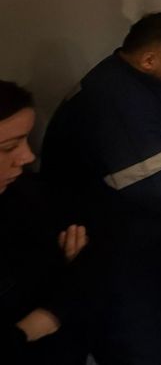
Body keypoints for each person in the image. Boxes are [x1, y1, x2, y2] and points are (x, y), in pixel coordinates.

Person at [40, 13, 161, 364]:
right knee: (136, 331)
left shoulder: (156, 79)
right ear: (149, 58)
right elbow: (158, 183)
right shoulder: (113, 99)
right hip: (116, 236)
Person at [1, 81, 93, 365]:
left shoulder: (27, 191)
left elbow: (88, 254)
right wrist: (32, 327)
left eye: (25, 140)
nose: (28, 156)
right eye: (9, 147)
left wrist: (50, 313)